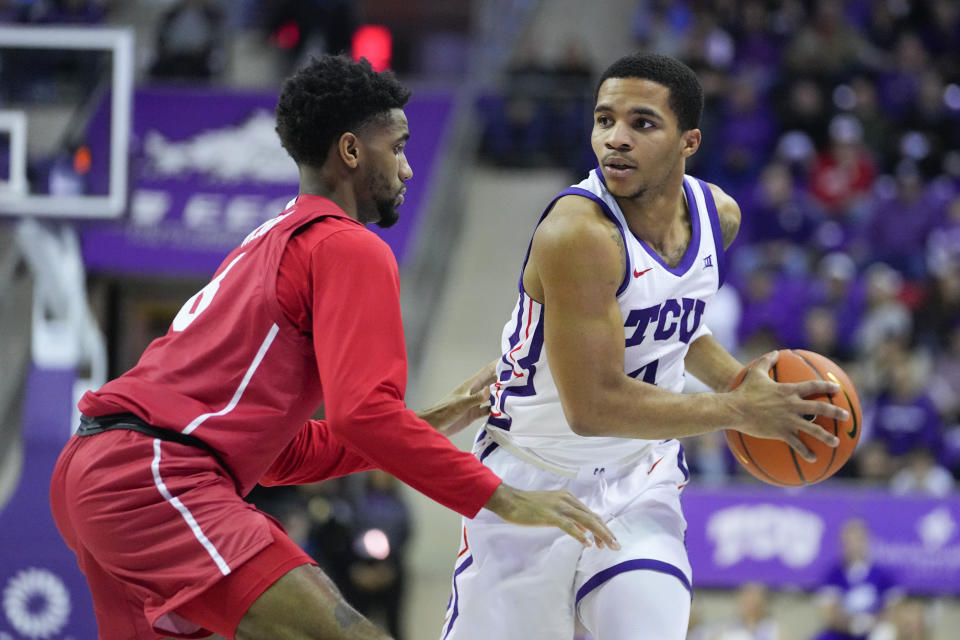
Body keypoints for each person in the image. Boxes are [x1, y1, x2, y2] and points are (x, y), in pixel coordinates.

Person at [48, 55, 618, 640]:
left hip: (99, 471)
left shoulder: (271, 239)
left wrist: (439, 416)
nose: (407, 169)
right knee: (343, 633)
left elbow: (283, 453)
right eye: (397, 147)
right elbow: (363, 414)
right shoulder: (348, 247)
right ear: (351, 152)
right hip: (155, 476)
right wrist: (503, 498)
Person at [441, 53, 848, 640]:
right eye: (605, 120)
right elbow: (592, 409)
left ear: (689, 142)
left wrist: (743, 384)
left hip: (639, 477)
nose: (616, 139)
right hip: (530, 482)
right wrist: (740, 409)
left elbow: (678, 330)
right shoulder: (578, 234)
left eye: (643, 123)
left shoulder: (718, 218)